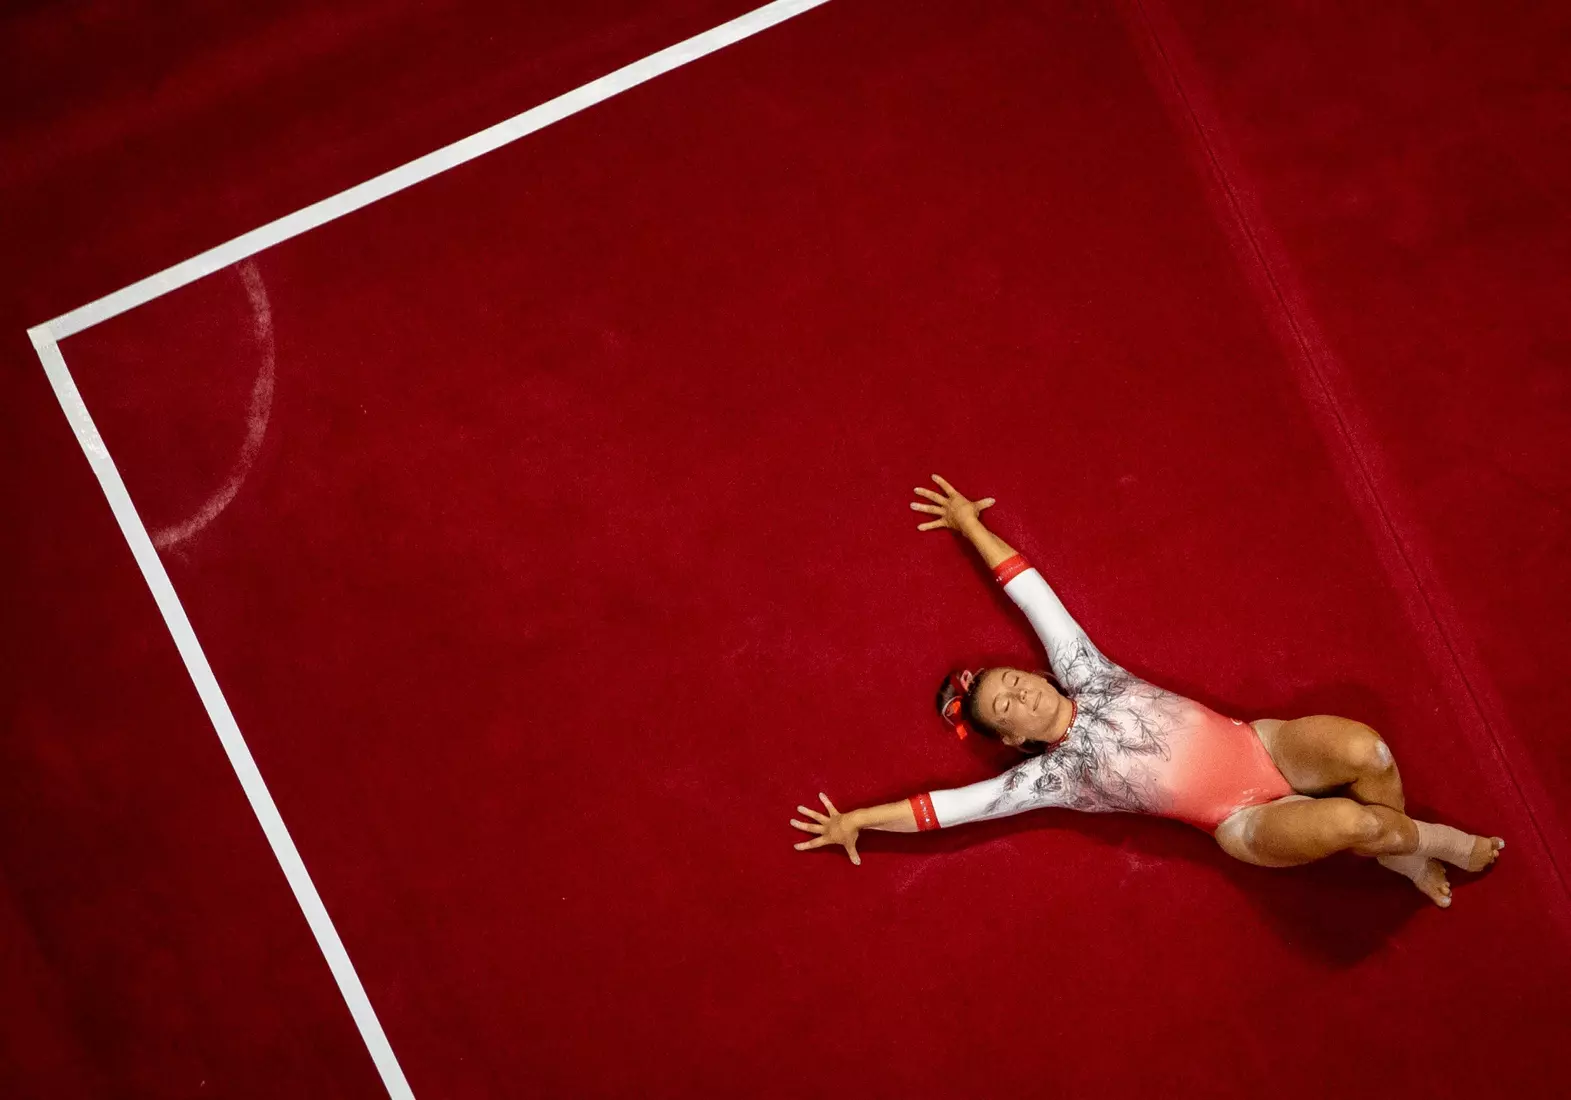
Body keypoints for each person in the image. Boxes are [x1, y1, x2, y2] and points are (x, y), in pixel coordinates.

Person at [790, 476, 1503, 908]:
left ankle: (1403, 849)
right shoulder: (1051, 777)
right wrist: (858, 820)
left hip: (1263, 744)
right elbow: (950, 808)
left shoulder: (1085, 671)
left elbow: (1035, 599)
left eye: (1013, 683)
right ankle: (1422, 846)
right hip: (1239, 822)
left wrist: (971, 524)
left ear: (1037, 674)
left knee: (1366, 749)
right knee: (1356, 825)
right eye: (1004, 710)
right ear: (1012, 740)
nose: (1017, 697)